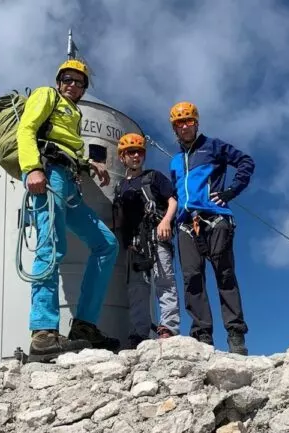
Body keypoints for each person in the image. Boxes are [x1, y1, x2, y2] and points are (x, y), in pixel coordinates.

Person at [16, 58, 120, 361]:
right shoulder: (46, 95)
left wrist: (89, 163)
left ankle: (84, 326)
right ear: (59, 81)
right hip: (50, 176)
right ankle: (43, 332)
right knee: (51, 247)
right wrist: (33, 168)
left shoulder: (73, 113)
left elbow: (70, 148)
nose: (72, 85)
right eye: (68, 80)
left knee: (106, 244)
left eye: (78, 82)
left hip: (69, 183)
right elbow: (27, 130)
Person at [167, 101, 255, 355]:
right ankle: (202, 334)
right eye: (179, 123)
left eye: (189, 121)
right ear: (174, 128)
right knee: (192, 278)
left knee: (224, 274)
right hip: (185, 224)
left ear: (196, 122)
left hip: (216, 217)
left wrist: (230, 191)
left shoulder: (213, 146)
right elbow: (176, 192)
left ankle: (235, 334)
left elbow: (246, 162)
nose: (184, 126)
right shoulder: (175, 161)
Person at [112, 133, 181, 349]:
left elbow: (172, 200)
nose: (136, 156)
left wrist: (166, 222)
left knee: (164, 280)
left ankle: (168, 327)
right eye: (130, 152)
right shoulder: (120, 186)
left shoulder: (154, 177)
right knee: (137, 288)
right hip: (135, 241)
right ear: (122, 157)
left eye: (139, 152)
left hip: (157, 234)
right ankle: (139, 333)